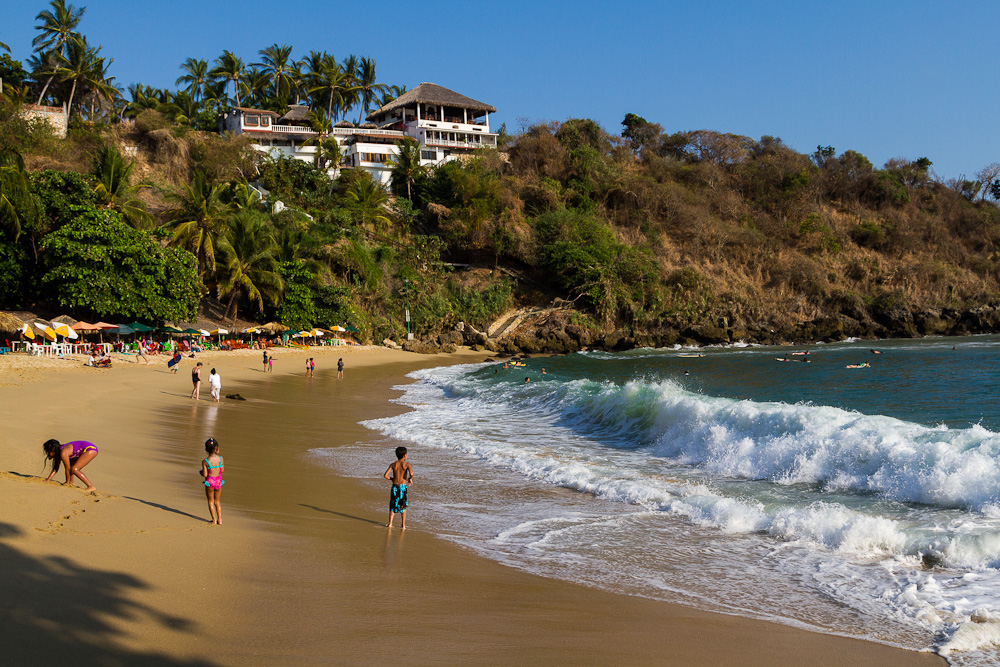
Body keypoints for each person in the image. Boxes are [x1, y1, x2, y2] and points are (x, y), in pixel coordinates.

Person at [383, 446, 413, 529]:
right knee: (403, 506)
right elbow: (411, 474)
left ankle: (390, 523)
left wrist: (393, 479)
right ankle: (403, 525)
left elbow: (385, 475)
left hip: (395, 486)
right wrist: (409, 479)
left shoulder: (393, 464)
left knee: (393, 504)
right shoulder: (407, 464)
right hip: (403, 487)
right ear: (404, 455)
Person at [200, 437, 224, 524]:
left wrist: (201, 472)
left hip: (210, 482)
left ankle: (214, 519)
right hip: (218, 482)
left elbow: (205, 474)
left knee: (211, 501)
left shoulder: (205, 461)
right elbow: (222, 470)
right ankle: (220, 519)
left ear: (207, 450)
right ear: (216, 448)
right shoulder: (221, 459)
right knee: (217, 501)